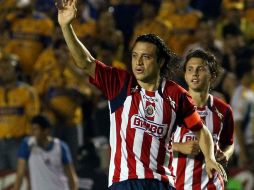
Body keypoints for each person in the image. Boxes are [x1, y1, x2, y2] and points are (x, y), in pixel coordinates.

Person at [56, 0, 226, 189]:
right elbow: (86, 62)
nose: (138, 62)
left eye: (146, 57)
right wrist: (66, 27)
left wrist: (209, 158)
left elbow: (201, 130)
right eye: (135, 56)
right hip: (124, 182)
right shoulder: (120, 84)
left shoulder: (175, 94)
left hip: (161, 183)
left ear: (160, 61)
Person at [172, 49, 234, 189]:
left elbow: (229, 143)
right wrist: (179, 147)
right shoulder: (172, 107)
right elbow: (151, 144)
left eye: (200, 69)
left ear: (212, 76)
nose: (194, 73)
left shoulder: (224, 110)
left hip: (212, 185)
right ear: (186, 76)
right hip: (178, 185)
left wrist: (226, 155)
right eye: (190, 69)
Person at [13, 114, 78, 190]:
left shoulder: (61, 147)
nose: (32, 133)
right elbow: (20, 173)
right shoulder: (27, 145)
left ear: (46, 131)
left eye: (35, 129)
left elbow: (71, 176)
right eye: (32, 129)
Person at [0, 50, 40, 171]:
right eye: (1, 68)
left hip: (19, 143)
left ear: (17, 71)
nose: (3, 71)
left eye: (8, 68)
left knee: (21, 180)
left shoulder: (28, 92)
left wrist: (31, 143)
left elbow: (33, 120)